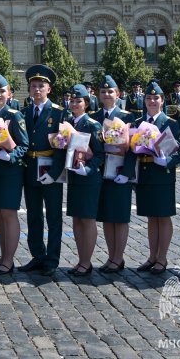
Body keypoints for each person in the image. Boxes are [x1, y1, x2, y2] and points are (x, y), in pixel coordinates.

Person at [20, 65, 66, 276]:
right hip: (30, 170)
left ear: (49, 89)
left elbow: (63, 147)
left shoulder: (58, 113)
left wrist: (55, 173)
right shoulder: (24, 113)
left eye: (41, 86)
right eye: (33, 86)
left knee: (54, 217)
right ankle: (38, 255)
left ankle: (52, 260)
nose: (37, 89)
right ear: (29, 90)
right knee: (33, 216)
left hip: (50, 169)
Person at [0, 75, 29, 276]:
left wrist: (10, 156)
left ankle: (9, 260)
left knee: (8, 213)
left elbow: (24, 145)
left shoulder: (14, 115)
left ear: (9, 94)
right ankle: (2, 256)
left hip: (10, 171)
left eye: (2, 91)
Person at [134, 81, 180, 274]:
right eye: (148, 98)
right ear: (144, 100)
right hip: (145, 174)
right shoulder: (138, 123)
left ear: (162, 101)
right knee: (151, 217)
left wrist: (168, 161)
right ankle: (152, 256)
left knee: (163, 217)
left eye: (156, 98)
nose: (152, 101)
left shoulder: (170, 123)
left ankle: (162, 258)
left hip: (162, 174)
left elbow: (179, 152)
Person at [91, 75, 136, 273]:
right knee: (107, 217)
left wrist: (127, 173)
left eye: (111, 91)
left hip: (120, 173)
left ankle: (119, 258)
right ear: (99, 95)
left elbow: (134, 148)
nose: (107, 94)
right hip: (101, 173)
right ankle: (111, 257)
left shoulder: (128, 117)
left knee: (120, 216)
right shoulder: (94, 117)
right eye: (103, 92)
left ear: (117, 94)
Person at [64, 84, 105, 276]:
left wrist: (87, 169)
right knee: (77, 219)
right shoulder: (68, 122)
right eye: (72, 100)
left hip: (88, 179)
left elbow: (100, 155)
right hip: (74, 177)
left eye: (78, 101)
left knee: (87, 219)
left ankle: (87, 262)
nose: (74, 104)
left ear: (86, 103)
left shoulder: (93, 125)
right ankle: (81, 259)